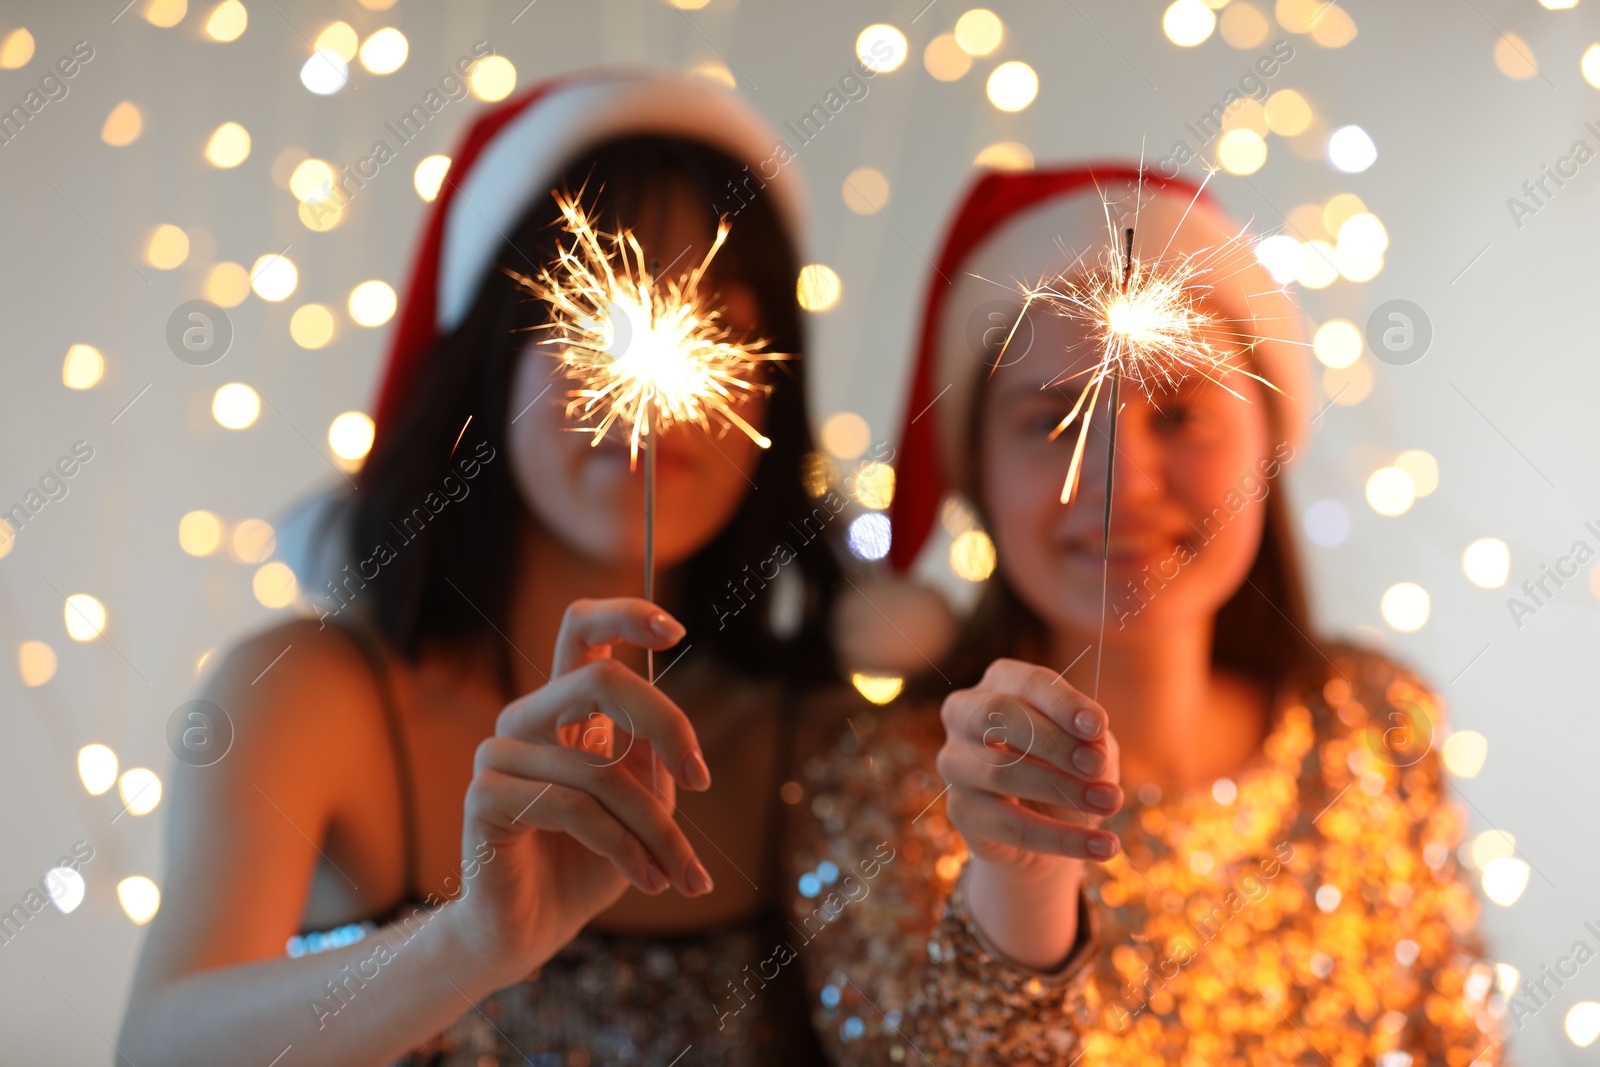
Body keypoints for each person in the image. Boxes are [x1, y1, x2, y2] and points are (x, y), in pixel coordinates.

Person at [119, 70, 847, 1067]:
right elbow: (159, 1049)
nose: (651, 378)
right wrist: (466, 944)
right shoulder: (305, 696)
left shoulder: (820, 744)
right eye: (594, 303)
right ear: (491, 357)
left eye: (715, 313)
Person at [786, 165, 1508, 1064]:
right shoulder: (882, 787)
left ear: (1266, 443)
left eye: (1177, 412)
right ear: (977, 470)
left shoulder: (1372, 729)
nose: (1119, 479)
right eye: (1057, 423)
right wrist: (1021, 903)